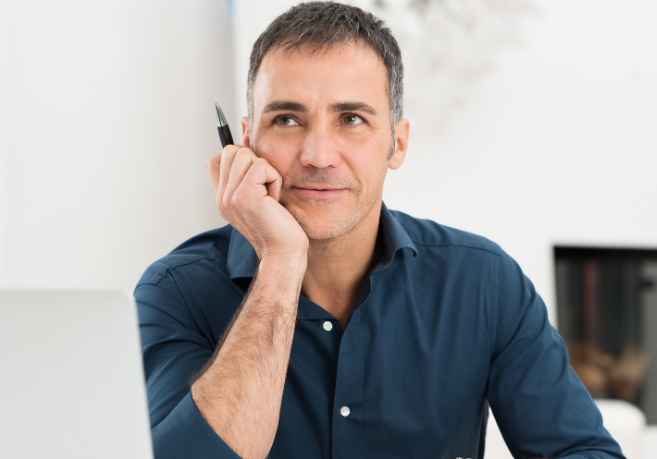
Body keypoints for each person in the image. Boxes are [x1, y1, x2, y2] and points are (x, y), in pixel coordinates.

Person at [135, 3, 624, 459]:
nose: (318, 155)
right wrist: (281, 263)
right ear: (246, 142)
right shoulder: (174, 292)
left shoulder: (484, 282)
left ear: (397, 143)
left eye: (351, 119)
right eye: (286, 119)